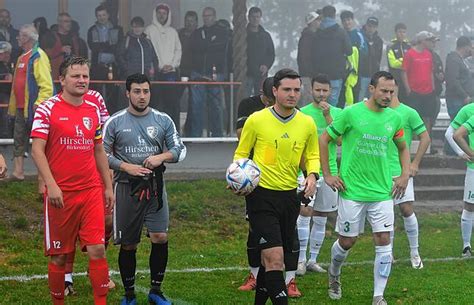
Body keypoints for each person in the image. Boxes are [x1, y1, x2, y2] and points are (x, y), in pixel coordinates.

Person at [319, 71, 410, 305]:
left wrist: (404, 175)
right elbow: (324, 139)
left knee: (383, 239)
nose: (388, 96)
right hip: (352, 191)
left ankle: (378, 296)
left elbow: (402, 147)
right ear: (371, 89)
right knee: (347, 242)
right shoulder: (351, 113)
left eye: (392, 92)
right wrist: (328, 174)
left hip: (382, 192)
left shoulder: (395, 118)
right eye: (383, 91)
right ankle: (334, 273)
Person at [30, 56, 114, 305]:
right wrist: (51, 184)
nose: (82, 80)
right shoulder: (47, 109)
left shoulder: (92, 109)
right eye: (76, 76)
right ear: (62, 79)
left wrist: (107, 186)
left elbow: (98, 149)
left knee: (97, 249)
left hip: (90, 191)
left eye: (85, 76)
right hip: (61, 194)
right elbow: (37, 150)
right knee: (59, 256)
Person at [233, 68, 320, 305]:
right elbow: (241, 153)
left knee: (269, 262)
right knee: (275, 260)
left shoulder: (307, 123)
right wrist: (237, 177)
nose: (292, 94)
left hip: (289, 197)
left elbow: (312, 155)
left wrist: (312, 176)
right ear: (275, 91)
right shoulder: (257, 120)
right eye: (286, 89)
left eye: (296, 90)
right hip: (260, 197)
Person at [103, 73, 186, 305]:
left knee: (160, 236)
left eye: (146, 91)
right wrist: (125, 166)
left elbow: (180, 149)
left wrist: (162, 156)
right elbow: (101, 154)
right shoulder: (115, 122)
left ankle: (155, 292)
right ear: (127, 93)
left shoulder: (163, 120)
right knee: (130, 243)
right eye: (137, 91)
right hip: (126, 189)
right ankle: (129, 295)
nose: (142, 96)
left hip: (155, 188)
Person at [296, 74, 341, 276]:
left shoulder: (338, 113)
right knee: (305, 213)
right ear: (311, 90)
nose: (321, 94)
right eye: (318, 90)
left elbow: (340, 141)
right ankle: (300, 260)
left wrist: (328, 116)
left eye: (325, 90)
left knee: (322, 216)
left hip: (330, 172)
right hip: (307, 173)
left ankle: (313, 259)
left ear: (330, 92)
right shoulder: (302, 113)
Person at [237, 77, 276, 292]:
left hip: (283, 176)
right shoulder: (248, 106)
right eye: (269, 99)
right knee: (255, 227)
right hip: (254, 176)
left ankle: (286, 278)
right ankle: (253, 275)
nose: (272, 104)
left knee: (287, 230)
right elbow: (242, 137)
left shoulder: (291, 109)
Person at [389, 82, 430, 269]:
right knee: (385, 215)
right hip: (379, 173)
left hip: (401, 170)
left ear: (396, 88)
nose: (389, 92)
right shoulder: (377, 113)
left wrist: (414, 163)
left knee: (406, 209)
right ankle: (387, 254)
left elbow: (425, 138)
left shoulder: (408, 112)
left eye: (391, 87)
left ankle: (415, 252)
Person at [8, 24, 54, 181]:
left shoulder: (38, 56)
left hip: (35, 108)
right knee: (18, 139)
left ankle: (43, 177)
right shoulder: (22, 57)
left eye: (20, 35)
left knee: (39, 142)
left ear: (27, 38)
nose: (17, 38)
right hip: (22, 108)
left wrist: (40, 103)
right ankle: (18, 172)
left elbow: (46, 85)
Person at [189, 7, 231, 137]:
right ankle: (196, 136)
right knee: (197, 106)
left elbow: (226, 54)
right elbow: (191, 52)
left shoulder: (223, 33)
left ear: (214, 16)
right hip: (198, 73)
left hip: (215, 74)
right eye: (204, 16)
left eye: (209, 15)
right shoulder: (197, 33)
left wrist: (224, 72)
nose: (207, 18)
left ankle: (217, 135)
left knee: (216, 106)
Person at [145, 3, 182, 130]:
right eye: (159, 13)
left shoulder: (173, 32)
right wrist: (159, 66)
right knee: (156, 103)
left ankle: (173, 131)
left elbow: (178, 50)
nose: (161, 16)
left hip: (171, 73)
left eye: (164, 13)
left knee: (171, 104)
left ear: (168, 15)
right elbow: (147, 52)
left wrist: (172, 65)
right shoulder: (149, 30)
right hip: (155, 73)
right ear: (155, 14)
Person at [445, 103, 474, 257]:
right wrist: (462, 153)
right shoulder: (468, 110)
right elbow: (450, 133)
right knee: (470, 206)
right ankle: (466, 246)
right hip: (473, 169)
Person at [312, 5, 352, 106]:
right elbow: (349, 51)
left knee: (320, 103)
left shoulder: (317, 32)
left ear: (323, 15)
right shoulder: (341, 32)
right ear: (334, 15)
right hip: (336, 74)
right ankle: (331, 121)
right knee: (332, 105)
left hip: (320, 74)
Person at [87, 4, 123, 114]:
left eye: (103, 15)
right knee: (98, 94)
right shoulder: (92, 30)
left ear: (108, 15)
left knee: (113, 95)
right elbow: (93, 47)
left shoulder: (117, 29)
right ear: (96, 17)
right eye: (99, 15)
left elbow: (118, 47)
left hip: (113, 66)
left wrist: (103, 46)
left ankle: (112, 118)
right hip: (98, 66)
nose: (101, 17)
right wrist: (108, 45)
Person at [401, 31, 438, 136]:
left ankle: (426, 142)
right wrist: (408, 89)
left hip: (428, 91)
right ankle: (414, 142)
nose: (431, 43)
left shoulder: (429, 54)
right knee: (414, 117)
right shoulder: (410, 54)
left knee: (427, 117)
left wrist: (433, 87)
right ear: (422, 41)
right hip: (415, 91)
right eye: (429, 40)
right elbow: (404, 72)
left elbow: (430, 71)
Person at [245, 6, 275, 97]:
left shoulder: (265, 36)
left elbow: (271, 54)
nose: (255, 19)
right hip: (246, 73)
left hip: (261, 74)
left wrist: (266, 65)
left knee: (261, 99)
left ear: (260, 18)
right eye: (253, 17)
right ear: (249, 17)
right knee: (245, 99)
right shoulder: (242, 36)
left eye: (257, 17)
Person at [340, 10, 368, 104]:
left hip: (356, 73)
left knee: (355, 99)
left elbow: (365, 52)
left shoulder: (359, 35)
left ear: (352, 20)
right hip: (343, 72)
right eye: (344, 20)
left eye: (348, 20)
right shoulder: (340, 34)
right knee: (341, 99)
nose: (347, 22)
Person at [178, 11, 198, 135]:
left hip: (195, 72)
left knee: (193, 103)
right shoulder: (179, 34)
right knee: (176, 100)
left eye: (192, 21)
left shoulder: (199, 34)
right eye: (187, 20)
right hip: (180, 71)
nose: (189, 23)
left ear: (196, 22)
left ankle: (190, 130)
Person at [445, 36, 474, 120]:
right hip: (456, 100)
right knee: (458, 125)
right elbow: (453, 81)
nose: (470, 50)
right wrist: (464, 96)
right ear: (465, 46)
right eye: (470, 47)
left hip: (461, 100)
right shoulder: (453, 59)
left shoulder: (459, 59)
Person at [297, 12, 321, 106]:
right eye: (317, 20)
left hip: (311, 73)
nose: (320, 22)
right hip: (307, 74)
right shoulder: (307, 37)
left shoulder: (313, 36)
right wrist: (311, 72)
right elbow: (304, 57)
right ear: (312, 22)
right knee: (309, 99)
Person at [360, 17, 383, 100]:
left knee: (372, 99)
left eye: (373, 27)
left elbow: (379, 58)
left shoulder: (379, 40)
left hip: (374, 75)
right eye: (369, 26)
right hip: (362, 74)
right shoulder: (360, 37)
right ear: (366, 26)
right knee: (360, 98)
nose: (371, 29)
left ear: (376, 28)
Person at [387, 23, 410, 103]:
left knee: (407, 102)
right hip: (395, 79)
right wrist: (404, 60)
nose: (402, 34)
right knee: (395, 101)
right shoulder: (391, 46)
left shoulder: (408, 46)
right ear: (396, 33)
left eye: (404, 32)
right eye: (400, 32)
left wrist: (402, 61)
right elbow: (393, 63)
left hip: (407, 80)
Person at [0, 41, 12, 139]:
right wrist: (4, 77)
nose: (3, 55)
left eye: (4, 53)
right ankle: (5, 133)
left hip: (8, 94)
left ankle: (6, 133)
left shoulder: (10, 65)